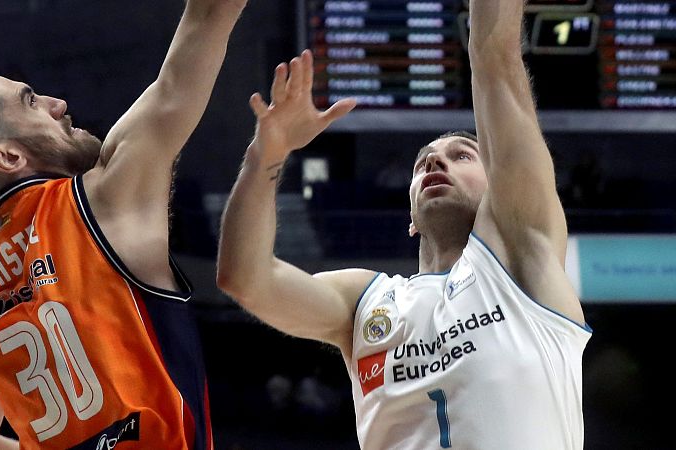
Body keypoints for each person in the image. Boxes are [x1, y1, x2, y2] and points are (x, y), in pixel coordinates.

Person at [216, 0, 591, 448]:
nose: (436, 159)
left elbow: (495, 59)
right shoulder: (365, 300)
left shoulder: (523, 251)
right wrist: (268, 155)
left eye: (462, 155)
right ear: (410, 220)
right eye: (423, 163)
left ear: (500, 188)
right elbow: (245, 277)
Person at [0, 0, 246, 448]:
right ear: (8, 157)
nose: (58, 104)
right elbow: (209, 16)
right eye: (31, 101)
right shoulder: (101, 200)